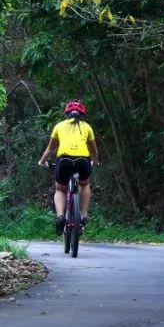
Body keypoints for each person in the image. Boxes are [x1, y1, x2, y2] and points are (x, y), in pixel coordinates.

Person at [38, 99, 99, 234]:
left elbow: (50, 149)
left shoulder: (59, 126)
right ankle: (83, 216)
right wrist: (95, 162)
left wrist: (42, 161)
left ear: (67, 114)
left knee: (60, 189)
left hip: (64, 161)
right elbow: (94, 151)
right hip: (83, 161)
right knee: (84, 184)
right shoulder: (87, 127)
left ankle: (60, 216)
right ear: (82, 115)